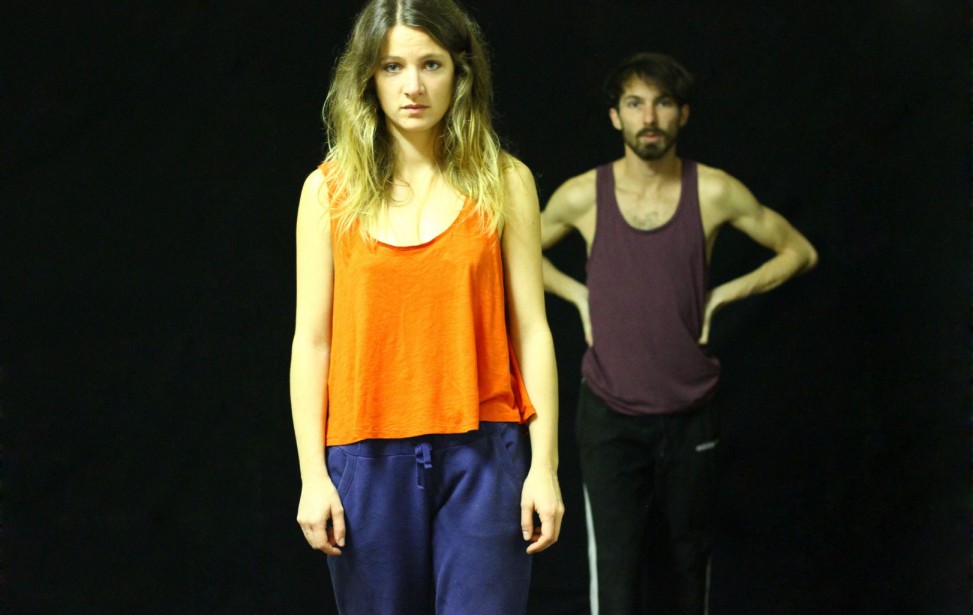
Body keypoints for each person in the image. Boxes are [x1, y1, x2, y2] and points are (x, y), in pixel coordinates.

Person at [289, 1, 564, 613]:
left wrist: (543, 466)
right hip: (365, 454)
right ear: (368, 76)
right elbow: (312, 341)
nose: (413, 86)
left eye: (431, 64)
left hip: (484, 452)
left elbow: (532, 332)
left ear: (460, 72)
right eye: (393, 66)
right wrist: (313, 476)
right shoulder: (327, 192)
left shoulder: (504, 180)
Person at [540, 52, 818, 614]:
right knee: (616, 578)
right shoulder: (582, 195)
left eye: (663, 103)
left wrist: (722, 295)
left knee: (687, 570)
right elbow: (510, 254)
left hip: (691, 414)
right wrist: (578, 296)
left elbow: (800, 251)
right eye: (635, 103)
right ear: (616, 116)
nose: (649, 117)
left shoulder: (713, 191)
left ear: (682, 114)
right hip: (610, 417)